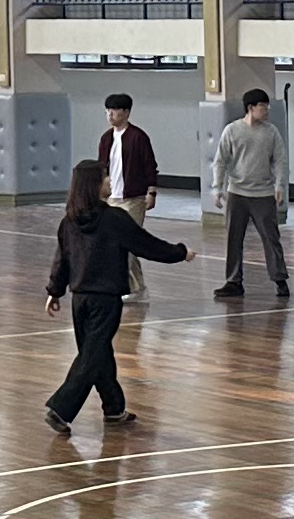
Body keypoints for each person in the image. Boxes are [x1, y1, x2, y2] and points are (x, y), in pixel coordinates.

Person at [44, 162, 190, 435]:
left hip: (80, 300)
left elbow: (61, 260)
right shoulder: (114, 219)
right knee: (91, 357)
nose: (110, 181)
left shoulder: (69, 221)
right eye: (105, 178)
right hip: (105, 301)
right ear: (93, 184)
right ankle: (61, 409)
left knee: (97, 353)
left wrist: (55, 290)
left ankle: (113, 408)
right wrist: (180, 253)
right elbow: (147, 245)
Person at [211, 88, 291, 302]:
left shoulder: (271, 132)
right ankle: (233, 281)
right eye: (262, 106)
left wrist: (279, 186)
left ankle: (279, 278)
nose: (267, 110)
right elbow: (220, 161)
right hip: (237, 192)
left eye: (267, 106)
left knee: (271, 237)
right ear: (251, 108)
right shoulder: (232, 130)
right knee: (233, 238)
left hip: (263, 193)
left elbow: (280, 160)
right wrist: (217, 187)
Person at [96, 94, 160, 305]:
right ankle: (135, 287)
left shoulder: (138, 137)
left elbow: (150, 165)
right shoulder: (106, 138)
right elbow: (101, 168)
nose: (110, 115)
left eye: (114, 110)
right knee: (113, 244)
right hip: (110, 199)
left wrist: (151, 192)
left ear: (126, 112)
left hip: (133, 199)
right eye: (107, 111)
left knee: (128, 243)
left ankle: (132, 288)